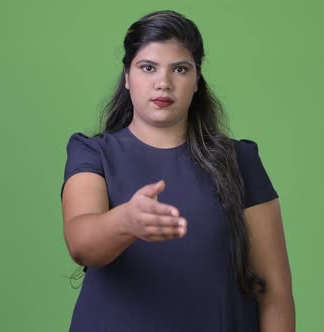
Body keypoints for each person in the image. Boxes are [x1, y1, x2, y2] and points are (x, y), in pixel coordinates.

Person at [60, 10, 295, 332]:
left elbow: (275, 293)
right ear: (127, 77)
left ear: (197, 79)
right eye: (148, 68)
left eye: (180, 69)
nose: (163, 83)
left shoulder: (239, 160)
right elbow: (80, 244)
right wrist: (127, 220)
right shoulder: (93, 153)